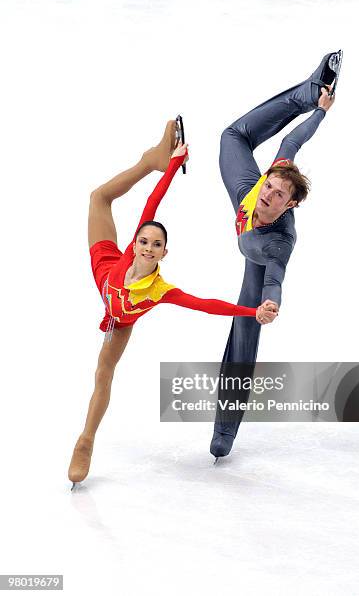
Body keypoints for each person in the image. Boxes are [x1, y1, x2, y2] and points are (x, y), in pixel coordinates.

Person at [68, 121, 276, 487]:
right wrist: (170, 168)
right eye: (144, 241)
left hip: (121, 319)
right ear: (136, 243)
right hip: (105, 266)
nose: (148, 247)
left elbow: (206, 304)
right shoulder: (128, 250)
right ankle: (151, 160)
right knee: (98, 197)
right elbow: (152, 204)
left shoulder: (159, 289)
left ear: (165, 252)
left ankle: (85, 441)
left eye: (155, 245)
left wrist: (251, 311)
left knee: (103, 373)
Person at [210, 51, 342, 459]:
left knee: (245, 330)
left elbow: (274, 278)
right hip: (240, 203)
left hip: (256, 251)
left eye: (278, 195)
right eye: (270, 186)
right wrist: (319, 111)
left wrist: (271, 303)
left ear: (289, 205)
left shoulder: (279, 242)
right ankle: (310, 89)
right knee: (233, 136)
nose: (270, 195)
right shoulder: (265, 183)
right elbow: (291, 141)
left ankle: (225, 433)